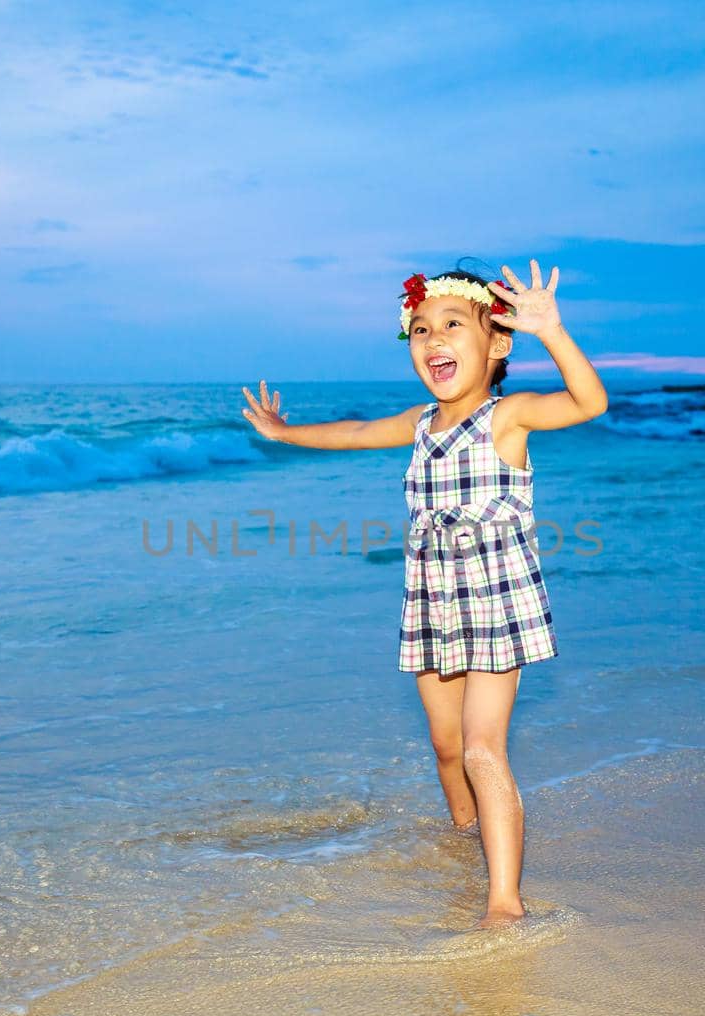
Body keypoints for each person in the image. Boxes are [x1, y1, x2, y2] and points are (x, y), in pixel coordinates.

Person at [240, 259, 607, 927]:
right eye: (419, 329)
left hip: (497, 603)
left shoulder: (509, 418)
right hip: (434, 605)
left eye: (451, 325)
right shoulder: (418, 424)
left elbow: (589, 403)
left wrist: (552, 330)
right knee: (445, 747)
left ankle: (504, 898)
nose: (433, 339)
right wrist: (283, 432)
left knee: (480, 746)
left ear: (496, 343)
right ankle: (469, 835)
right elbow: (352, 433)